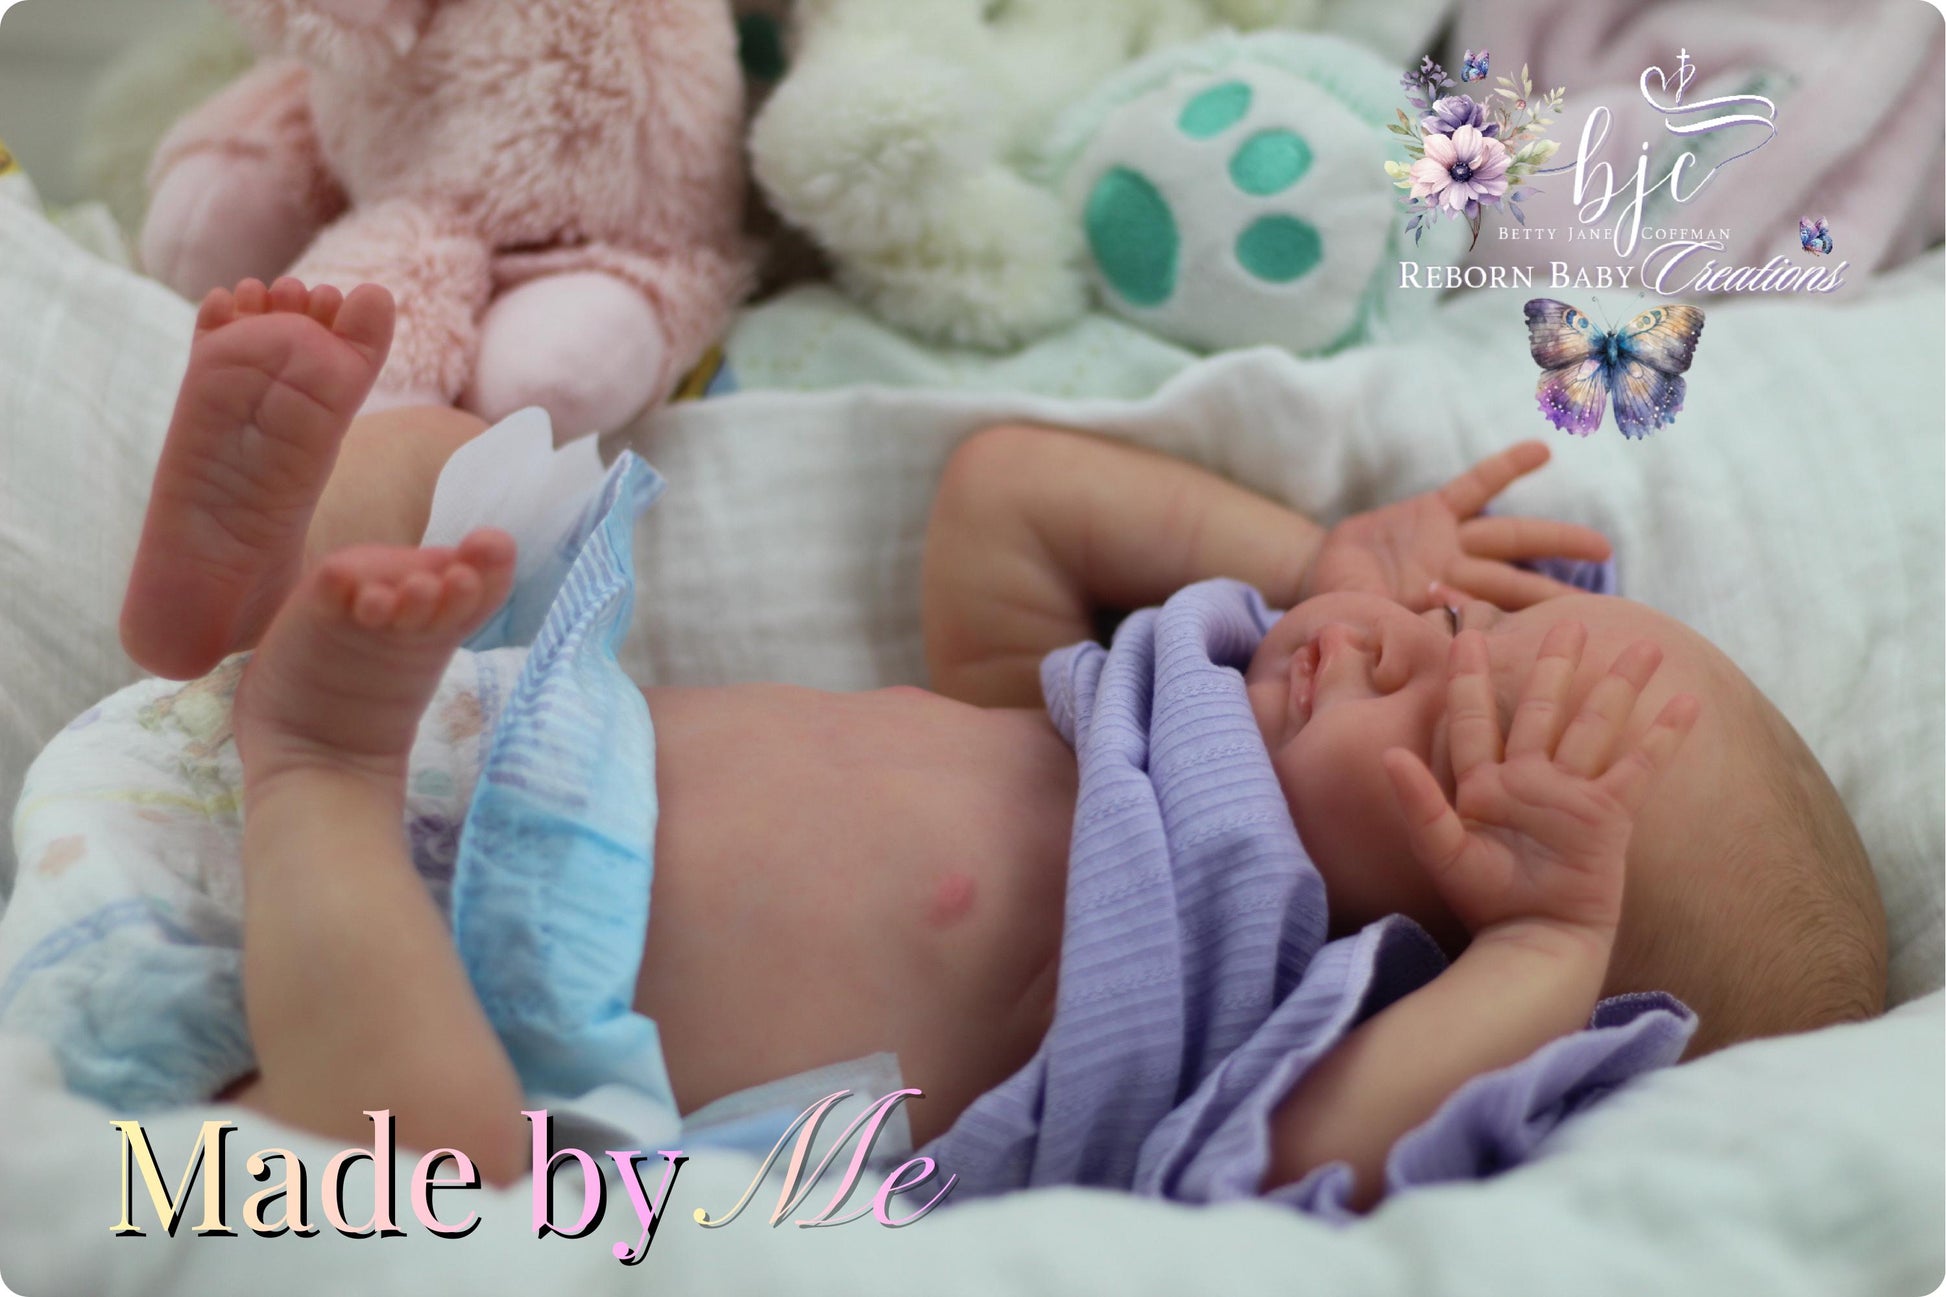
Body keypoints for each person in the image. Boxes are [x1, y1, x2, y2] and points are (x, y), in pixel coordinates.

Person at [108, 277, 1885, 1210]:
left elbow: (1295, 1172)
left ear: (1450, 953)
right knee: (449, 470)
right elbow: (1002, 500)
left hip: (483, 1017)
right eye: (1465, 624)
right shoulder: (1124, 698)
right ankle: (224, 605)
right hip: (481, 699)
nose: (1412, 637)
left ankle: (306, 771)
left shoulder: (1236, 1028)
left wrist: (1548, 953)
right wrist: (1312, 559)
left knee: (424, 1175)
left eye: (1449, 709)